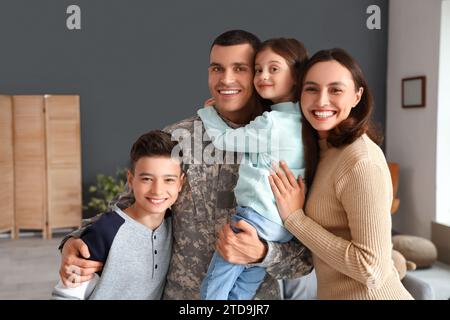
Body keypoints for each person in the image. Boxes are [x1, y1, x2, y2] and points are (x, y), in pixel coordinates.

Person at [57, 30, 313, 300]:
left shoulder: (292, 141)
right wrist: (73, 241)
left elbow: (305, 259)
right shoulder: (177, 139)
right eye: (217, 68)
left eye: (240, 68)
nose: (226, 79)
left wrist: (262, 253)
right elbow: (127, 209)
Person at [268, 48, 414, 299]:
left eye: (336, 90)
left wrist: (296, 219)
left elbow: (372, 269)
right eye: (311, 89)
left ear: (357, 96)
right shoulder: (322, 150)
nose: (321, 101)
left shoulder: (360, 161)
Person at [198, 38, 308, 300]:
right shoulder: (303, 123)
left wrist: (208, 113)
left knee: (213, 289)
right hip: (279, 225)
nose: (263, 76)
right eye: (259, 69)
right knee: (241, 291)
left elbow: (225, 140)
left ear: (295, 76)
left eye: (240, 68)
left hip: (255, 219)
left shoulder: (272, 123)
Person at [52, 130, 184, 299]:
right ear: (130, 180)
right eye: (146, 179)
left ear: (181, 183)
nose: (157, 190)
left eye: (169, 180)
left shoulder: (174, 225)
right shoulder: (105, 232)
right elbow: (65, 294)